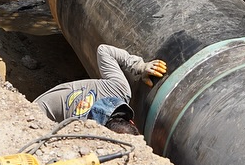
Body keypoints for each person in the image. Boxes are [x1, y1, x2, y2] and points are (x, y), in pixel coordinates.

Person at [35, 44, 167, 135]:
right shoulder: (84, 127)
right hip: (37, 117)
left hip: (47, 102)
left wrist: (139, 66)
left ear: (132, 122)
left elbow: (104, 50)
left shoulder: (119, 89)